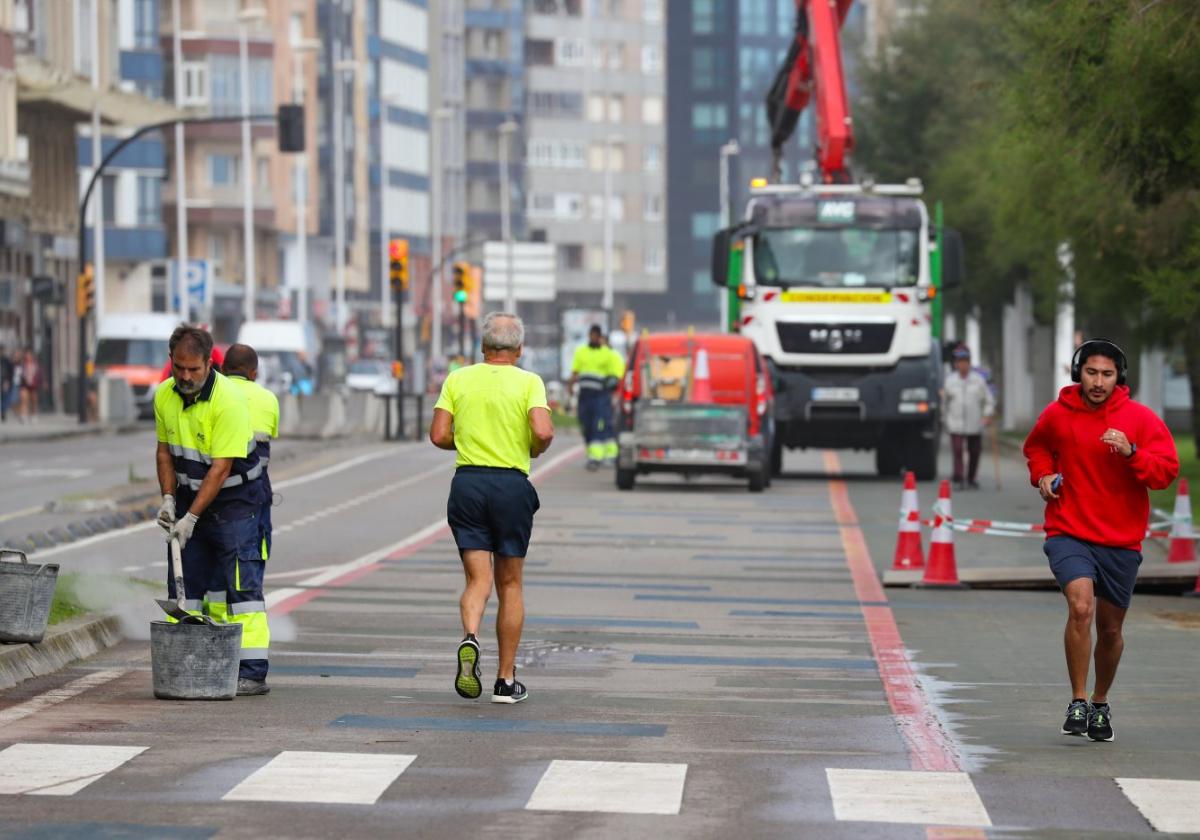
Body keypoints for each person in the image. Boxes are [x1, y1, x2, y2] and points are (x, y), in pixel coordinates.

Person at [1023, 338, 1178, 742]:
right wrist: (1043, 476)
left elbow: (1165, 472)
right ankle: (1076, 700)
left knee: (1110, 631)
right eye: (1091, 372)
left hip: (1121, 541)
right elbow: (1037, 448)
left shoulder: (1140, 419)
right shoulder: (1058, 414)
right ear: (1079, 373)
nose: (1097, 381)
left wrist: (1132, 453)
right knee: (1080, 607)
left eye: (1107, 374)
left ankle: (1099, 702)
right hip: (1068, 530)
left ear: (1119, 378)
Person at [429, 312, 553, 705]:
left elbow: (438, 435)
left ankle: (470, 637)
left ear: (483, 348)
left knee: (477, 581)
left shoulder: (458, 379)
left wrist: (465, 443)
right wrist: (533, 448)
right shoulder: (529, 382)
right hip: (510, 486)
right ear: (519, 349)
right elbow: (544, 430)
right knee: (510, 584)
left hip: (467, 484)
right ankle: (505, 680)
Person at [154, 324, 272, 697]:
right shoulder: (164, 397)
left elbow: (221, 468)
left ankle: (252, 671)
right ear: (171, 362)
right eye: (180, 368)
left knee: (241, 588)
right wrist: (169, 500)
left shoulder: (228, 403)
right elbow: (163, 451)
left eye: (194, 369)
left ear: (210, 365)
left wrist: (191, 518)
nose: (186, 377)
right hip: (191, 495)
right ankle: (195, 661)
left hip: (236, 502)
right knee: (186, 583)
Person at [220, 343, 280, 579]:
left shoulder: (215, 397)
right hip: (254, 490)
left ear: (223, 368)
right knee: (254, 550)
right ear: (253, 373)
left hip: (212, 484)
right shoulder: (268, 399)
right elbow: (270, 434)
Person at [569, 325, 621, 469]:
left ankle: (596, 457)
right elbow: (575, 372)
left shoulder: (609, 354)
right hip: (585, 396)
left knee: (599, 425)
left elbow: (615, 375)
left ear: (599, 337)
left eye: (595, 335)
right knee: (585, 424)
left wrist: (612, 389)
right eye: (591, 335)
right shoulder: (581, 352)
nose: (593, 338)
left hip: (601, 396)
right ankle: (597, 453)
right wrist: (570, 388)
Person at [942, 345, 995, 489]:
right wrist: (944, 419)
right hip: (955, 422)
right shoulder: (950, 381)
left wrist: (987, 415)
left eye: (965, 361)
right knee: (958, 449)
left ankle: (971, 477)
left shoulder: (978, 380)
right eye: (960, 361)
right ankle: (959, 477)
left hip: (975, 423)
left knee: (975, 451)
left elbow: (988, 400)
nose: (963, 364)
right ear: (956, 364)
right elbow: (944, 402)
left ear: (969, 363)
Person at [18, 348, 40, 422]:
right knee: (24, 399)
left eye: (29, 354)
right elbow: (20, 374)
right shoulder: (22, 364)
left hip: (33, 385)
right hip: (24, 384)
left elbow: (39, 373)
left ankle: (34, 416)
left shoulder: (35, 364)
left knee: (34, 401)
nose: (28, 356)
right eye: (26, 354)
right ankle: (23, 415)